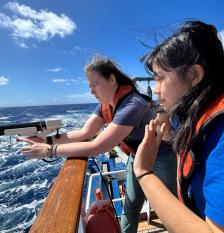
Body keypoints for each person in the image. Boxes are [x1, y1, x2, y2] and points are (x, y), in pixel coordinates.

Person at [19, 55, 177, 232]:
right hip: (136, 156)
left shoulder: (132, 104)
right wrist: (45, 140)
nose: (91, 91)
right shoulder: (105, 105)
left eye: (95, 84)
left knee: (171, 209)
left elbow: (99, 146)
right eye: (89, 86)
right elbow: (85, 132)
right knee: (131, 207)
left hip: (162, 156)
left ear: (111, 80)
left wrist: (49, 150)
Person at [133, 20, 224, 233]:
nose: (156, 90)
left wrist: (143, 172)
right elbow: (181, 127)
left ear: (194, 75)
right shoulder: (196, 106)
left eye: (160, 79)